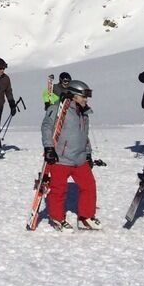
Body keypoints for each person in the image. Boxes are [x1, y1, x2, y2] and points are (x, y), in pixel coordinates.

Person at [41, 79, 99, 231]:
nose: (86, 100)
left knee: (89, 186)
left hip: (79, 159)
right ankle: (57, 218)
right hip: (61, 158)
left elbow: (84, 135)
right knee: (59, 190)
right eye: (83, 96)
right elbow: (47, 127)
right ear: (74, 95)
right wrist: (48, 147)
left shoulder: (84, 113)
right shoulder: (58, 109)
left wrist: (88, 154)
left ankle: (86, 217)